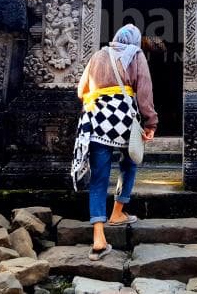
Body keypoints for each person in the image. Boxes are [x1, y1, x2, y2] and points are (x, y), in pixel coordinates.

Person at [72, 24, 158, 260]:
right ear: (135, 40)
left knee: (99, 176)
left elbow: (81, 91)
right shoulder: (136, 55)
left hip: (98, 120)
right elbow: (144, 91)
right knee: (129, 164)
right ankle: (117, 212)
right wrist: (151, 123)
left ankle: (98, 237)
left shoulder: (98, 55)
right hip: (125, 120)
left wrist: (101, 96)